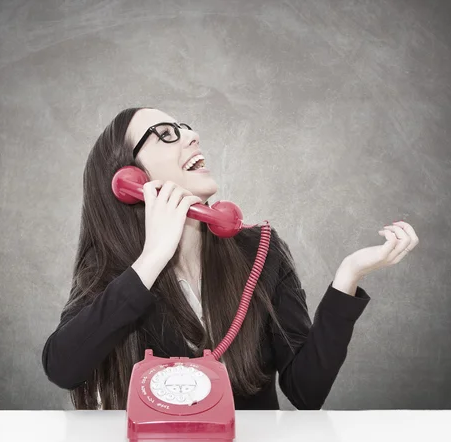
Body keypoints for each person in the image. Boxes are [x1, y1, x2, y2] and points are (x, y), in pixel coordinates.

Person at [41, 107, 372, 410]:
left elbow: (306, 391)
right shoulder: (110, 268)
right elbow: (62, 367)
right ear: (130, 178)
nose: (193, 135)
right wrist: (152, 259)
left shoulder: (260, 251)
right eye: (166, 133)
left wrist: (348, 278)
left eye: (185, 128)